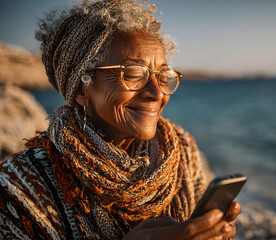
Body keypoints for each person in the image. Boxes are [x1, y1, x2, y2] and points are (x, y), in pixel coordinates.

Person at [0, 0, 241, 239]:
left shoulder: (182, 151)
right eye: (134, 74)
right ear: (82, 88)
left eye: (163, 75)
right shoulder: (18, 186)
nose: (157, 93)